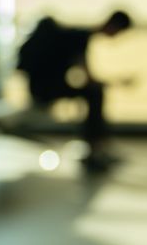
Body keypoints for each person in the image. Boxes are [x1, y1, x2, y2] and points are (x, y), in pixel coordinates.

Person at [16, 10, 133, 172]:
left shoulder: (76, 35)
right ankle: (95, 148)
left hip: (41, 87)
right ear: (113, 26)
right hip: (45, 90)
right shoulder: (80, 38)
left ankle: (96, 146)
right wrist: (117, 81)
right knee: (94, 94)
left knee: (92, 93)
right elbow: (88, 78)